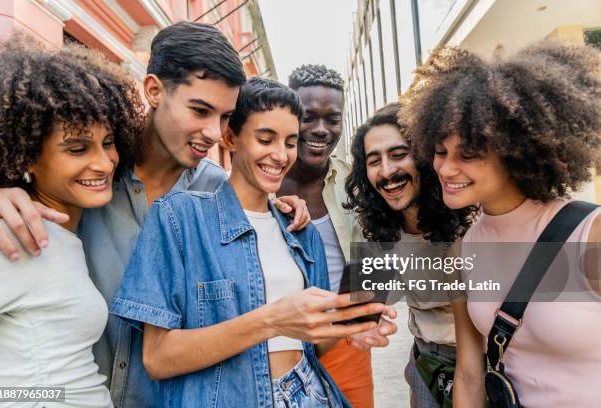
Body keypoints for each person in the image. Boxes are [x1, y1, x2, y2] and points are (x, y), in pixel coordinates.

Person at [0, 22, 308, 408]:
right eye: (200, 110)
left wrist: (279, 211)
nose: (212, 132)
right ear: (154, 90)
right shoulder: (89, 179)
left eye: (225, 117)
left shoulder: (218, 195)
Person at [110, 77, 397, 408]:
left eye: (290, 142)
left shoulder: (301, 231)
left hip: (308, 393)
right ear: (231, 137)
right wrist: (272, 319)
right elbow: (157, 359)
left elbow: (310, 344)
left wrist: (347, 328)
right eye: (265, 139)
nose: (280, 155)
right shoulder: (179, 218)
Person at [402, 41, 601, 407]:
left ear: (516, 152)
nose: (445, 168)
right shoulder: (463, 249)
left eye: (468, 154)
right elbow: (469, 374)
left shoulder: (590, 233)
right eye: (440, 151)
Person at [0, 36, 145, 406]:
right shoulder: (12, 233)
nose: (104, 162)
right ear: (27, 155)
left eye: (108, 142)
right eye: (77, 148)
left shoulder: (61, 233)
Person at [344, 103, 475, 407]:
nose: (387, 171)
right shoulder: (376, 229)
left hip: (490, 365)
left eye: (399, 155)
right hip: (426, 365)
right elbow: (366, 305)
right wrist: (362, 325)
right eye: (374, 161)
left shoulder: (472, 219)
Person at [278, 64, 375, 407]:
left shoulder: (355, 181)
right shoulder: (262, 180)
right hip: (276, 346)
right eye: (308, 117)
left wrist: (363, 315)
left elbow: (372, 256)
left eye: (332, 119)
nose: (321, 129)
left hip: (344, 344)